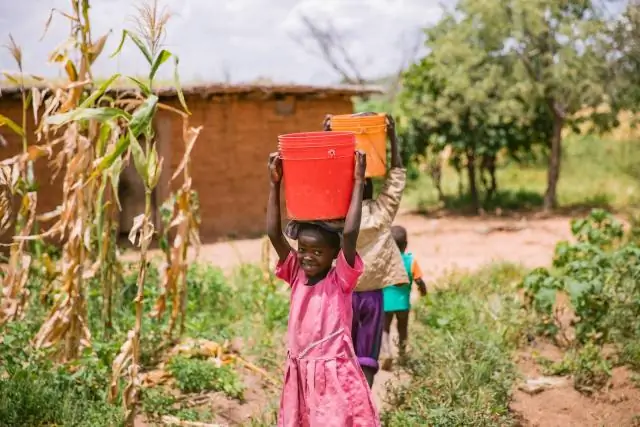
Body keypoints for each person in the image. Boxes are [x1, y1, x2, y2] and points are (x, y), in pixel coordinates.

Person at [266, 150, 380, 426]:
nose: (307, 256)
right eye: (303, 249)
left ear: (333, 254)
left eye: (317, 251)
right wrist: (274, 184)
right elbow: (273, 233)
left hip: (332, 373)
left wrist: (357, 180)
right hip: (300, 370)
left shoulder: (339, 280)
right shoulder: (295, 273)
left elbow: (350, 233)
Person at [323, 113, 409, 387]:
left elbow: (324, 176)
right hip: (372, 296)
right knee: (367, 356)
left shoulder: (336, 215)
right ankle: (364, 404)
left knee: (341, 351)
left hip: (343, 294)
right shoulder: (382, 212)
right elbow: (396, 177)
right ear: (371, 188)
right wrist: (392, 136)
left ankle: (345, 402)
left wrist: (326, 136)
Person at [380, 225, 428, 371]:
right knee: (402, 328)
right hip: (403, 304)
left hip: (385, 303)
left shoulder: (383, 261)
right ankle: (402, 354)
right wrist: (423, 291)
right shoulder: (411, 261)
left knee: (384, 328)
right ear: (405, 245)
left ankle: (386, 352)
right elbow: (419, 280)